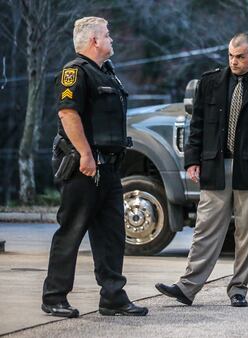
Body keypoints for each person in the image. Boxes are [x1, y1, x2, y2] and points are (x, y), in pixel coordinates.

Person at [155, 33, 248, 307]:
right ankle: (187, 287)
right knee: (205, 229)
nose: (234, 61)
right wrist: (192, 160)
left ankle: (238, 288)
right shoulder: (210, 82)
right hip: (215, 166)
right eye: (230, 56)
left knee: (247, 233)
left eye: (240, 57)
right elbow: (198, 125)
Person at [42, 16, 148, 317]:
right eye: (107, 34)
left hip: (109, 168)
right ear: (93, 41)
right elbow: (67, 114)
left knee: (112, 234)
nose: (111, 39)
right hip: (83, 167)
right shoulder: (74, 73)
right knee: (72, 230)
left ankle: (112, 297)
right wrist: (86, 155)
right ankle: (54, 297)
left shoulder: (108, 74)